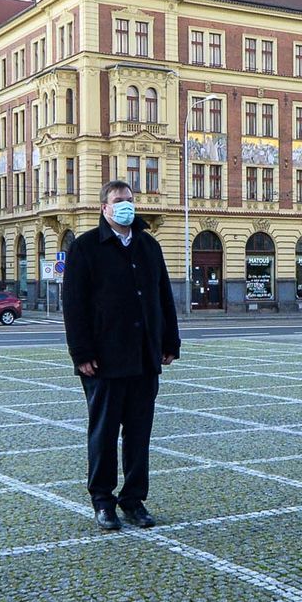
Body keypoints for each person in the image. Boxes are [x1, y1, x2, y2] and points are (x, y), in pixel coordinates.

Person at [63, 180, 180, 532]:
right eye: (118, 201)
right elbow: (74, 306)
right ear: (105, 208)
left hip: (144, 357)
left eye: (129, 200)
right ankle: (103, 501)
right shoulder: (85, 248)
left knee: (139, 433)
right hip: (103, 360)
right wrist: (81, 352)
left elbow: (164, 297)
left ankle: (133, 499)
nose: (126, 205)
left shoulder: (148, 245)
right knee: (103, 432)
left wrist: (170, 342)